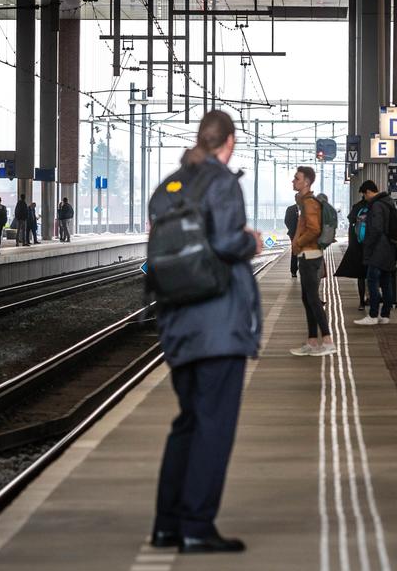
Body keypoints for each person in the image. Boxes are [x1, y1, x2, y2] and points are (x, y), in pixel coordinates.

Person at [148, 111, 262, 554]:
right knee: (213, 427)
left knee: (188, 423)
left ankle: (166, 525)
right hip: (218, 324)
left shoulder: (170, 186)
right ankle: (196, 526)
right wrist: (249, 239)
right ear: (228, 142)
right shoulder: (221, 182)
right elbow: (226, 242)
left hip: (178, 323)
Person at [290, 165, 336, 356]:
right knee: (308, 298)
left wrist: (298, 243)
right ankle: (312, 341)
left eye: (296, 178)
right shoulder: (305, 201)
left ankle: (327, 341)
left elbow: (314, 229)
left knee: (313, 300)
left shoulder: (309, 202)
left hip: (310, 256)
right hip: (307, 256)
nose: (293, 181)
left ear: (306, 182)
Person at [354, 180, 397, 325]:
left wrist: (368, 244)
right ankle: (385, 315)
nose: (365, 198)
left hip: (378, 250)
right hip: (388, 249)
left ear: (368, 192)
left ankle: (373, 315)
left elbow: (376, 228)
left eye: (364, 195)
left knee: (372, 281)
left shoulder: (377, 205)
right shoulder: (388, 202)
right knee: (386, 282)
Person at [334, 187, 370, 310]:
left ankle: (361, 301)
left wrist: (352, 245)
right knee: (373, 275)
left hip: (359, 246)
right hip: (373, 247)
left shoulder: (357, 208)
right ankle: (372, 301)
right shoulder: (376, 206)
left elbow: (352, 228)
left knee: (361, 276)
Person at [283, 203, 299, 277]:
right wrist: (292, 229)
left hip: (305, 233)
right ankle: (294, 270)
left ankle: (303, 269)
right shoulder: (290, 209)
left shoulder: (306, 207)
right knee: (294, 250)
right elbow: (286, 220)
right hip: (293, 233)